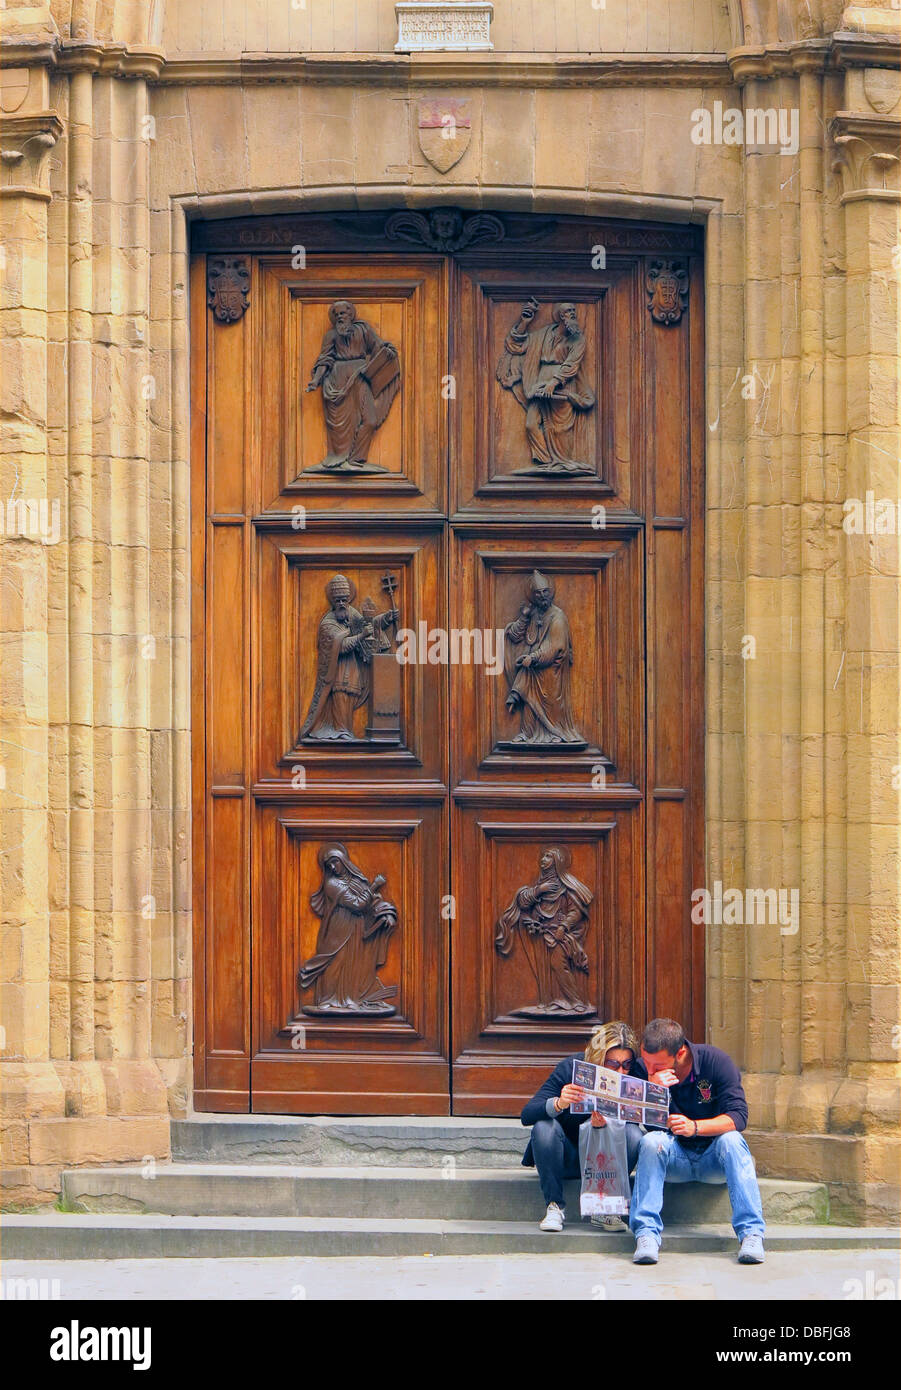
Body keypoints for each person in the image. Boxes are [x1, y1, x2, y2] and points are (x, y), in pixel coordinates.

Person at [629, 1017, 766, 1266]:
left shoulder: (716, 1062)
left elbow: (739, 1117)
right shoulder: (644, 1070)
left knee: (733, 1140)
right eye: (646, 1062)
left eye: (657, 1065)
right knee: (651, 1142)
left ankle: (751, 1234)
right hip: (674, 1158)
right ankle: (646, 1234)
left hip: (714, 1159)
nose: (649, 1069)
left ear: (680, 1053)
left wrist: (695, 1127)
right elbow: (642, 1122)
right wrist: (652, 1090)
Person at [520, 1022, 641, 1233]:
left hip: (605, 1164)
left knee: (634, 1134)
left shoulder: (633, 1074)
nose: (621, 1071)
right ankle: (555, 1206)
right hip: (568, 1157)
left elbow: (639, 1125)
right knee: (543, 1127)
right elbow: (527, 1114)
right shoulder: (572, 1067)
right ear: (598, 1057)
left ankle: (607, 1209)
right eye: (612, 1064)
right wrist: (559, 1103)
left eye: (627, 1064)